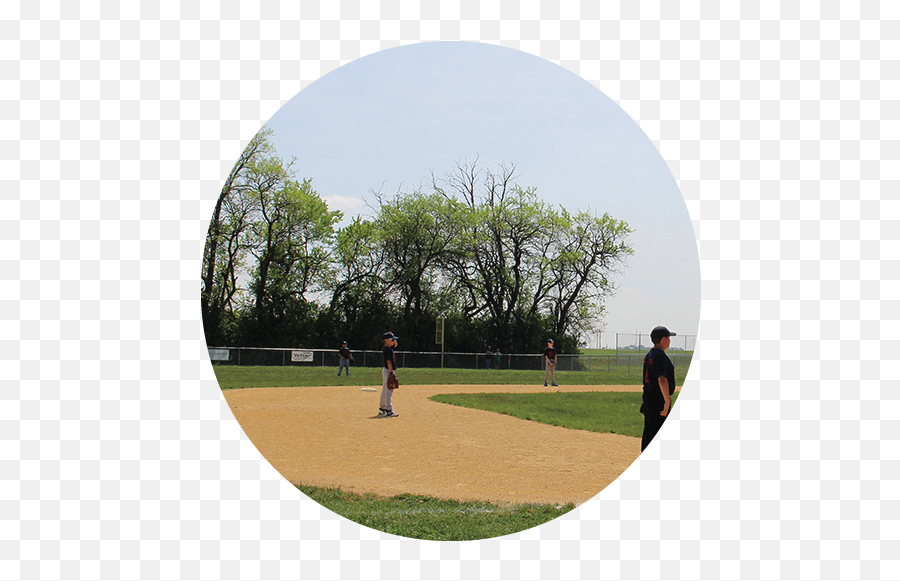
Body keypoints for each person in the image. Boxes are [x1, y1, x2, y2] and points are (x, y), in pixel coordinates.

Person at [641, 326, 677, 451]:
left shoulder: (649, 355)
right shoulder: (660, 356)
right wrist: (667, 401)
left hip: (649, 397)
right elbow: (662, 379)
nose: (669, 340)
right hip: (658, 399)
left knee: (650, 431)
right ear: (663, 339)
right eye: (668, 338)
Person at [379, 332, 400, 417]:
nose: (394, 341)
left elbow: (395, 345)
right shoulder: (387, 349)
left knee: (385, 389)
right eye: (392, 339)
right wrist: (391, 373)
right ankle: (388, 410)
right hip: (388, 370)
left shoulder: (387, 348)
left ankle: (382, 408)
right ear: (386, 340)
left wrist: (393, 340)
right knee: (389, 390)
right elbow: (388, 361)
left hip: (386, 370)